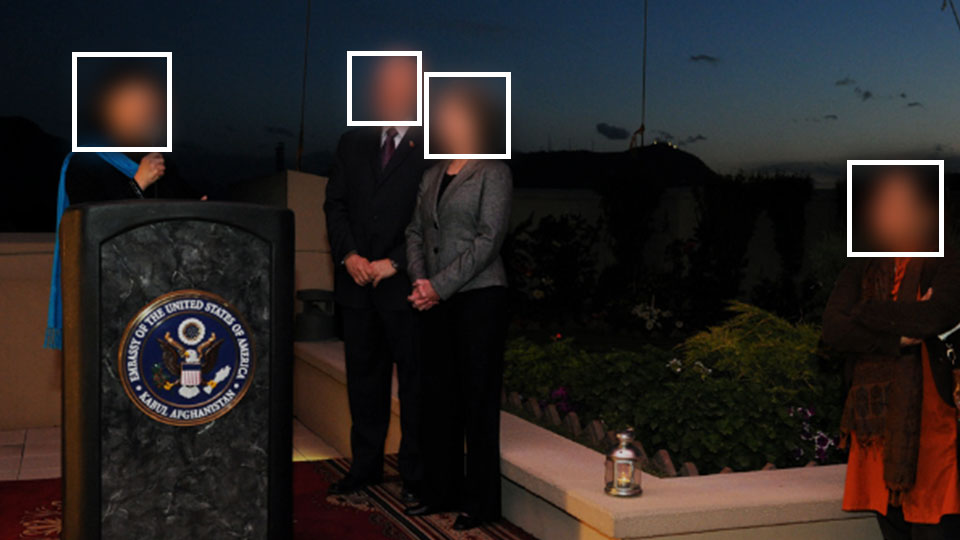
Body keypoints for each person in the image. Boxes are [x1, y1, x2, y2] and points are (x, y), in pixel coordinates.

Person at [822, 166, 960, 539]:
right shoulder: (864, 264)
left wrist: (862, 312)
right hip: (877, 439)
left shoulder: (948, 259)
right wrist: (894, 338)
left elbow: (933, 317)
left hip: (935, 439)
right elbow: (833, 329)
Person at [403, 84, 512, 530]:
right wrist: (420, 281)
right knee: (439, 401)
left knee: (477, 403)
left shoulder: (494, 171)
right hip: (435, 301)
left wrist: (438, 286)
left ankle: (481, 504)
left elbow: (489, 240)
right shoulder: (431, 174)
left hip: (479, 299)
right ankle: (441, 491)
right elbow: (414, 232)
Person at [324, 55, 429, 502]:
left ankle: (415, 477)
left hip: (406, 289)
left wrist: (396, 263)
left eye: (401, 83)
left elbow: (434, 218)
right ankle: (364, 469)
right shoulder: (352, 141)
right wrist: (348, 254)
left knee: (415, 387)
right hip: (357, 287)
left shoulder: (433, 144)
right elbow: (335, 204)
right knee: (364, 386)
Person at [44, 61, 200, 349]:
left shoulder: (159, 161)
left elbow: (187, 207)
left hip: (161, 291)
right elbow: (89, 226)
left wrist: (203, 211)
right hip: (107, 291)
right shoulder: (86, 161)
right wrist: (138, 182)